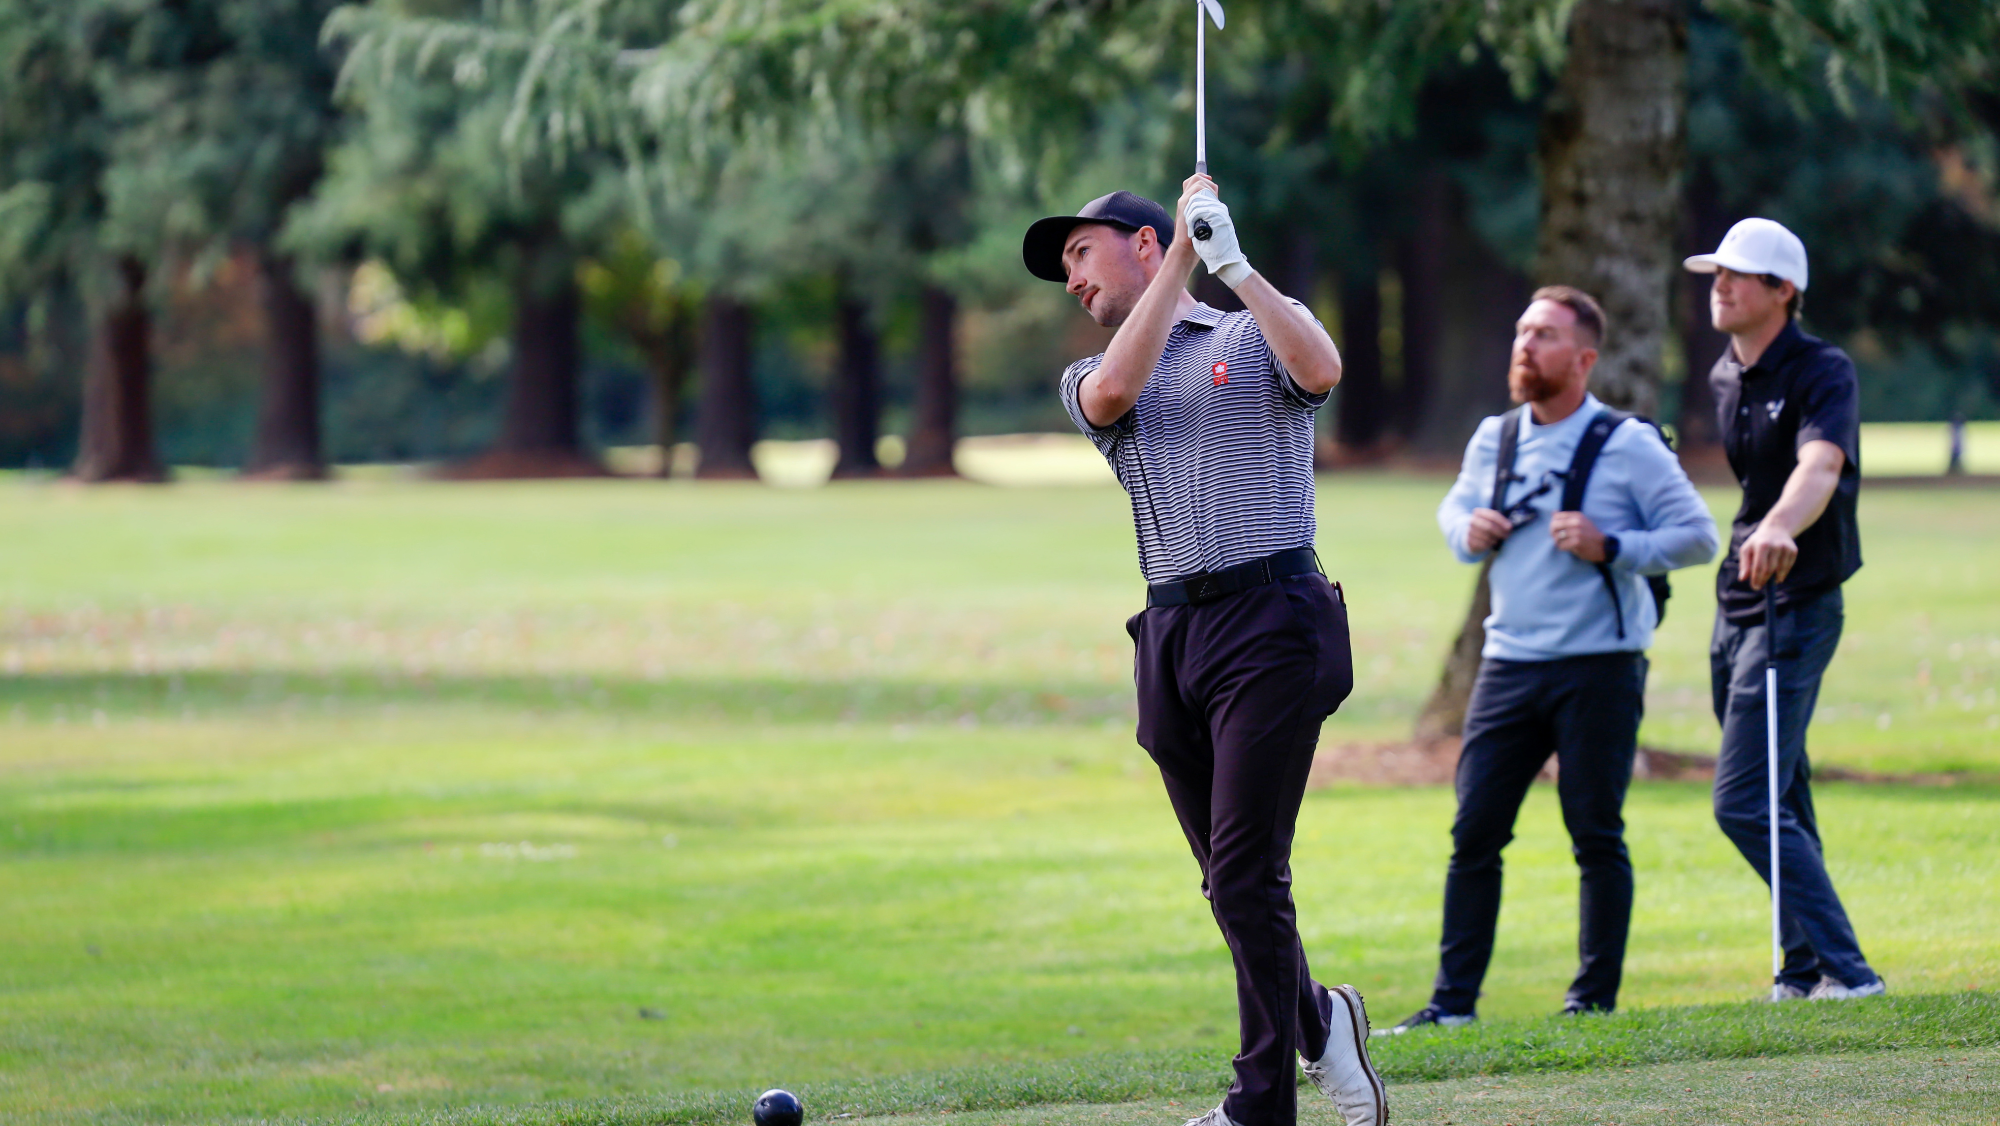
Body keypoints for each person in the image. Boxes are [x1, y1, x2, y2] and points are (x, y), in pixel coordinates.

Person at [1022, 180, 1383, 1126]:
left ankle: (1260, 1101)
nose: (1070, 280)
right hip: (1172, 633)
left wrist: (1234, 266)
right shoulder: (1095, 372)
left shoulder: (1249, 329)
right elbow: (1113, 394)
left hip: (1273, 619)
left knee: (1246, 869)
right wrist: (1185, 253)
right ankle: (1321, 1020)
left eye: (1079, 254)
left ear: (1139, 243)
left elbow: (1323, 368)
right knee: (1229, 877)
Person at [1384, 287, 1718, 1034]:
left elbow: (1699, 536)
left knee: (1595, 832)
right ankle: (1452, 1005)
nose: (1524, 346)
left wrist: (1615, 547)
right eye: (1521, 332)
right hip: (1509, 662)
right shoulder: (1494, 438)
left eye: (1544, 335)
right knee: (1474, 834)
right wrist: (1466, 528)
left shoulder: (1628, 443)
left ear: (1585, 358)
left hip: (1601, 665)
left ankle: (1591, 1003)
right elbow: (1452, 511)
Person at [1685, 218, 1885, 1001]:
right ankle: (1804, 971)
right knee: (1783, 794)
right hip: (1736, 603)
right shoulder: (1725, 375)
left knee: (1742, 801)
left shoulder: (1823, 370)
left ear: (1784, 291)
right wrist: (1755, 533)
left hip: (1798, 606)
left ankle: (1851, 972)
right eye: (1716, 274)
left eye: (1738, 275)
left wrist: (1778, 526)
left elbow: (1820, 466)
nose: (1720, 286)